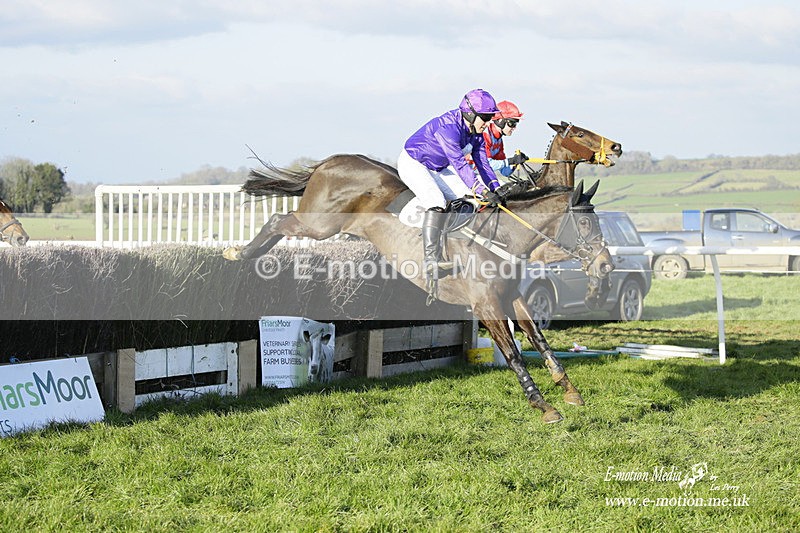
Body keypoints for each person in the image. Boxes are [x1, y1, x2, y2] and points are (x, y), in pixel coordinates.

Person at [398, 89, 501, 279]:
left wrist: (496, 189)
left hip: (438, 168)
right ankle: (431, 260)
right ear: (470, 114)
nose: (488, 123)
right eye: (486, 118)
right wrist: (481, 189)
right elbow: (460, 165)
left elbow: (483, 164)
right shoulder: (448, 128)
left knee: (472, 199)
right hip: (413, 163)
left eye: (490, 118)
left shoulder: (477, 133)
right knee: (436, 201)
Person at [478, 100, 528, 177]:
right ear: (500, 121)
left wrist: (515, 162)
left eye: (515, 124)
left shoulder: (498, 140)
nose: (514, 128)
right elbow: (485, 166)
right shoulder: (485, 135)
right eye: (512, 123)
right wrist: (510, 161)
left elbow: (505, 172)